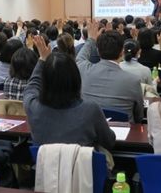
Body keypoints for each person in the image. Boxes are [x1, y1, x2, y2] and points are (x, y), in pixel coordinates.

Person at [23, 35, 116, 168]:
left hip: (48, 178)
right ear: (76, 79)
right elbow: (109, 142)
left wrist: (43, 59)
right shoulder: (90, 109)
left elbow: (31, 86)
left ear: (45, 81)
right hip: (84, 177)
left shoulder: (33, 107)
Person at [76, 21, 144, 124]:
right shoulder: (133, 80)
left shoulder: (84, 69)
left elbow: (80, 58)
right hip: (125, 136)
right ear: (122, 53)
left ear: (98, 52)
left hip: (89, 132)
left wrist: (91, 40)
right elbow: (139, 117)